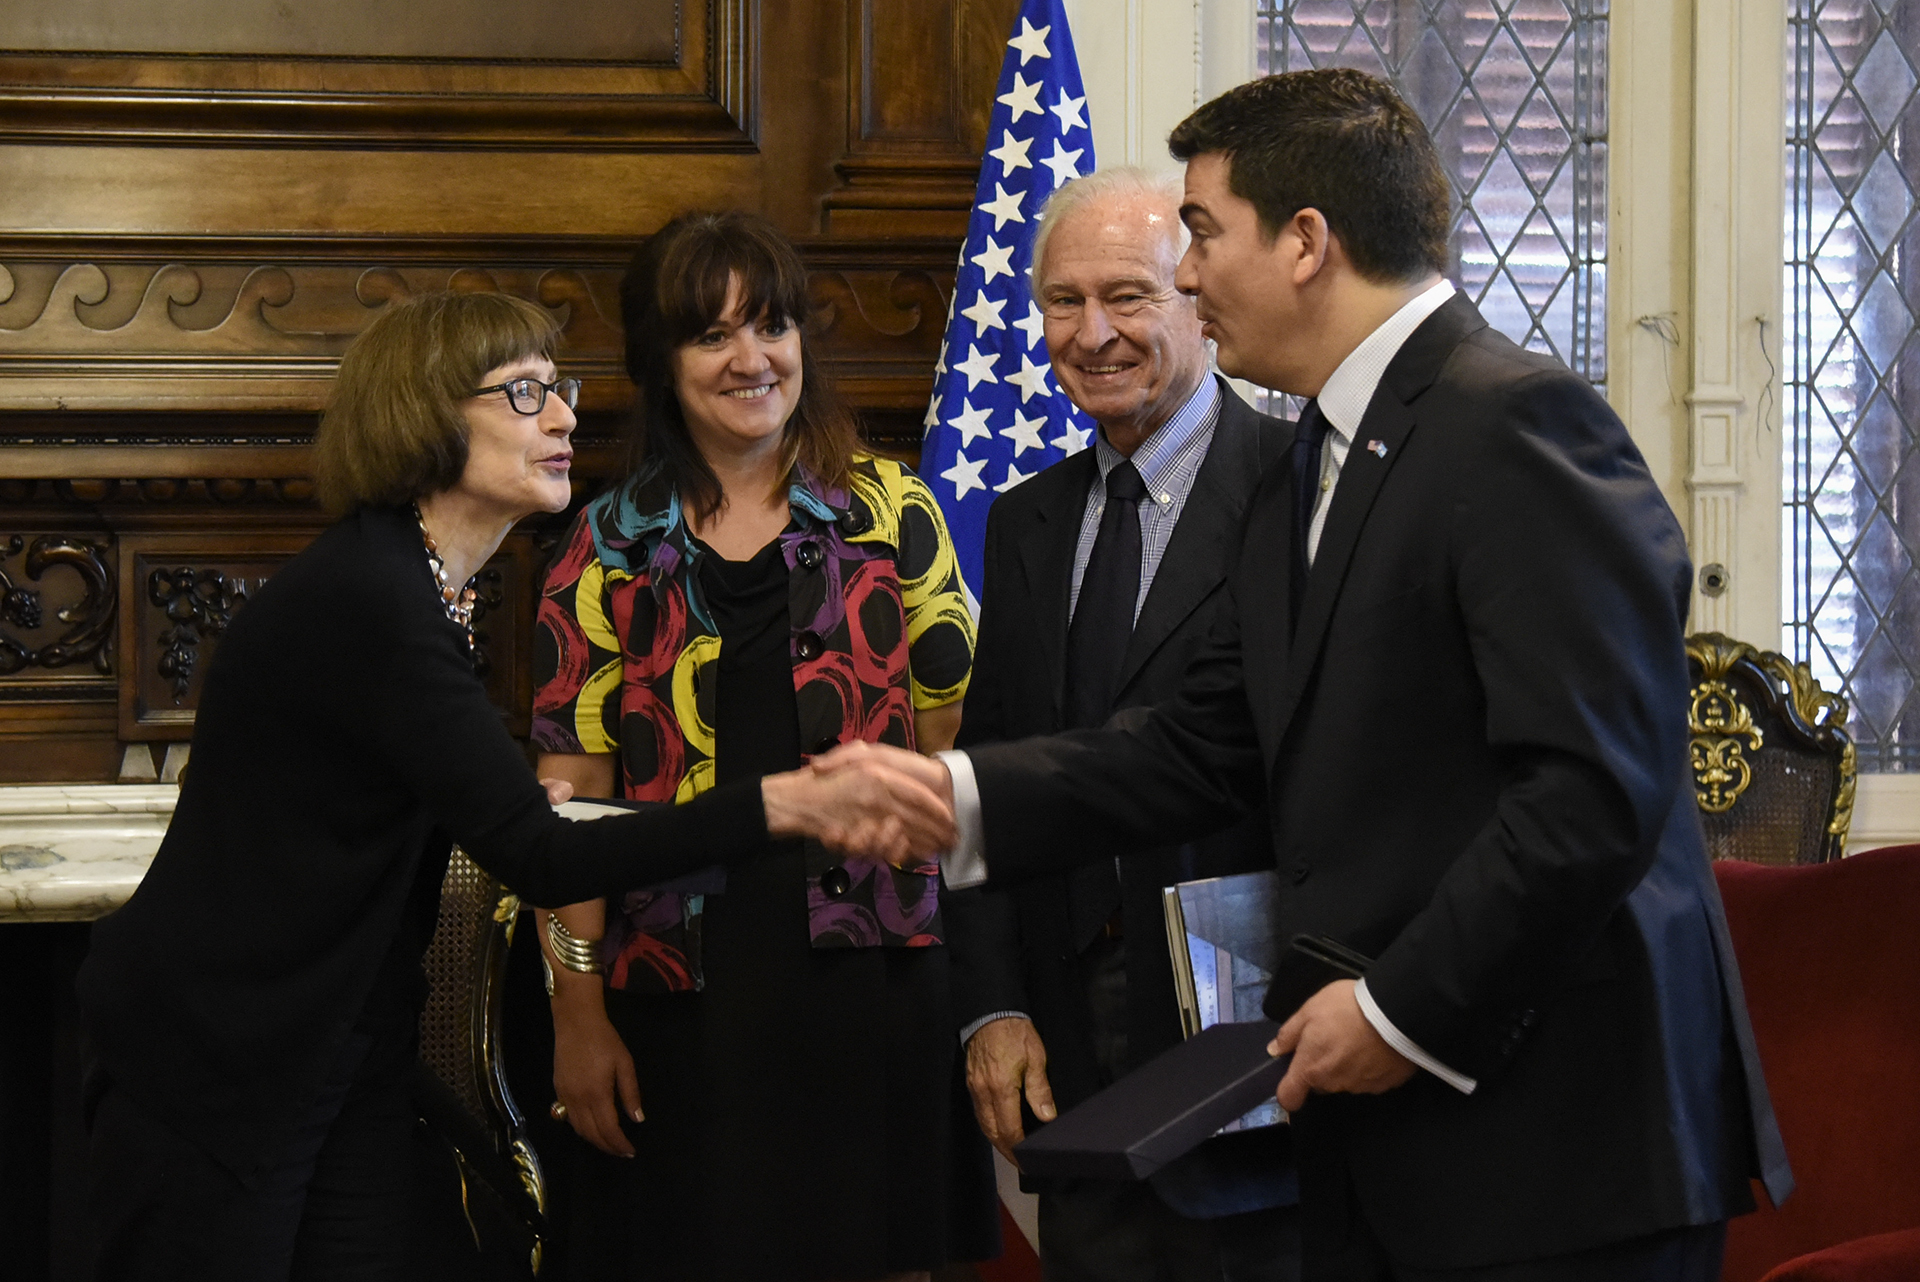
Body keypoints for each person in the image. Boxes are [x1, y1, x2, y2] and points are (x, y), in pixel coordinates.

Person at [828, 69, 1794, 1282]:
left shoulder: (1515, 423)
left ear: (1304, 243)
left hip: (1558, 1152)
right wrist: (948, 800)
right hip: (1402, 1149)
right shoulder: (1317, 462)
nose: (1184, 276)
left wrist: (1397, 1008)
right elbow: (1200, 738)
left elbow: (1592, 791)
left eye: (1199, 233)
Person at [74, 290, 950, 1282]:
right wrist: (785, 804)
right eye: (527, 394)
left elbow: (490, 807)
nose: (568, 416)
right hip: (219, 1057)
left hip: (343, 1043)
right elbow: (540, 854)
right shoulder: (375, 598)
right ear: (428, 417)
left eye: (560, 388)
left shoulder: (418, 584)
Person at [528, 210, 997, 1282]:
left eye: (774, 325)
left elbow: (957, 742)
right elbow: (572, 805)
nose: (753, 359)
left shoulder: (891, 512)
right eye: (713, 334)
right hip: (676, 993)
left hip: (875, 982)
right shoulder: (603, 545)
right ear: (660, 361)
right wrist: (581, 1012)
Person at [943, 166, 1298, 1282]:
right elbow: (991, 779)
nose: (1091, 333)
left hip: (1252, 1054)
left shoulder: (1302, 491)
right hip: (1069, 1063)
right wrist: (991, 1003)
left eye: (1128, 296)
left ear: (1196, 292)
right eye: (1062, 300)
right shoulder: (1024, 521)